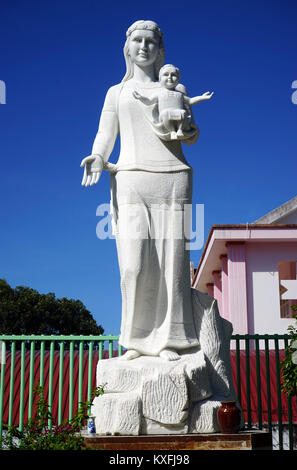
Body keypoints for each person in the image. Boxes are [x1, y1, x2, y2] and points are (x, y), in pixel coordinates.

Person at [80, 20, 200, 361]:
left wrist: (187, 126)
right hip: (130, 178)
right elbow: (106, 133)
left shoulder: (175, 89)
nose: (144, 46)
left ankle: (169, 340)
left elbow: (191, 133)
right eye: (138, 40)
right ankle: (136, 339)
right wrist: (99, 156)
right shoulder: (115, 93)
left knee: (172, 263)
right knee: (133, 264)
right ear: (128, 48)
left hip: (173, 177)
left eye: (151, 41)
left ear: (160, 50)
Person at [133, 63, 213, 140]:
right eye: (166, 74)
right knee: (165, 114)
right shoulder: (159, 94)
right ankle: (172, 131)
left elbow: (190, 101)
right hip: (165, 115)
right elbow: (149, 101)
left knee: (184, 113)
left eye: (173, 75)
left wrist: (202, 97)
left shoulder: (179, 94)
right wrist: (140, 97)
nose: (169, 77)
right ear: (160, 79)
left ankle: (180, 130)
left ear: (178, 79)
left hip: (178, 113)